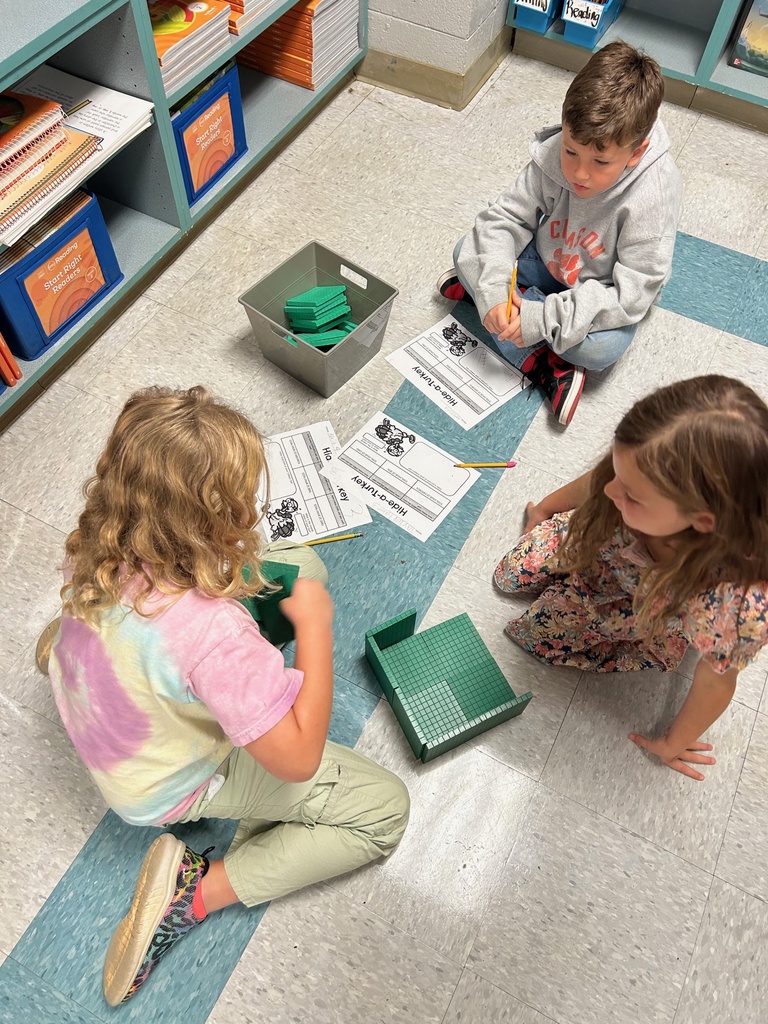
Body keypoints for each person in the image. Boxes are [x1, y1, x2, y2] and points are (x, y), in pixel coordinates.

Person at [41, 386, 409, 1006]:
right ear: (211, 520)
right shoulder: (212, 634)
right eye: (239, 502)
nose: (251, 515)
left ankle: (65, 645)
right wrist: (315, 628)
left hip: (118, 701)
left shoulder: (101, 539)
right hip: (171, 784)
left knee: (303, 567)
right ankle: (197, 890)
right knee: (383, 811)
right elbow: (297, 759)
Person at [493, 376, 768, 780]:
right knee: (509, 575)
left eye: (633, 495)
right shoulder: (635, 480)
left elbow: (717, 681)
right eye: (617, 474)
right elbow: (597, 486)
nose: (611, 489)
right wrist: (546, 511)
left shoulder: (735, 603)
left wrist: (674, 742)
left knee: (534, 638)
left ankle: (662, 645)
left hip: (644, 609)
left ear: (702, 521)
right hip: (599, 550)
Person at [438, 41, 683, 427]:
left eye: (601, 162)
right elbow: (505, 217)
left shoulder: (655, 192)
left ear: (635, 153)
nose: (579, 174)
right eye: (571, 151)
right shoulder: (558, 148)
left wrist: (536, 316)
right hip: (549, 259)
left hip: (598, 290)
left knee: (602, 349)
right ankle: (528, 331)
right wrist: (495, 290)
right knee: (465, 249)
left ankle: (534, 345)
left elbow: (633, 295)